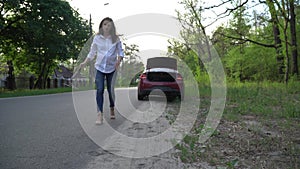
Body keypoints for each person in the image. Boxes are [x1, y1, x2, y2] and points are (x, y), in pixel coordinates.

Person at [79, 17, 124, 125]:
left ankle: (112, 108)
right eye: (105, 24)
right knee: (99, 90)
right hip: (99, 67)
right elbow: (92, 53)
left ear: (112, 27)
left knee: (110, 91)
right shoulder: (97, 38)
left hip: (112, 69)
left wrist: (118, 61)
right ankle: (99, 114)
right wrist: (84, 62)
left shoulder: (116, 39)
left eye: (109, 25)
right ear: (101, 26)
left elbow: (120, 52)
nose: (107, 27)